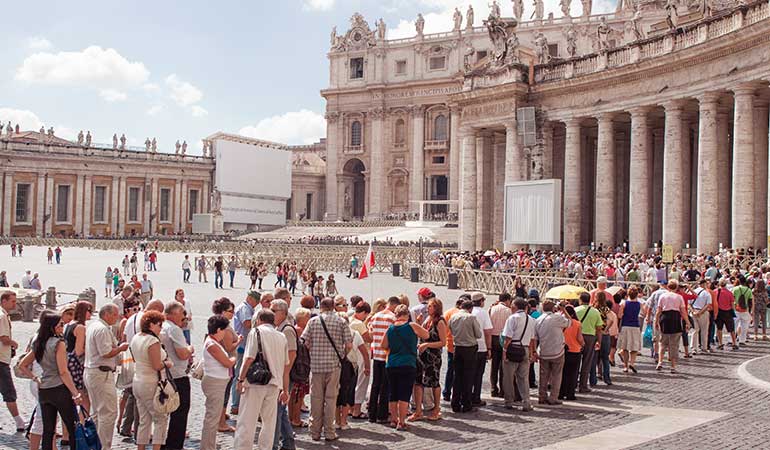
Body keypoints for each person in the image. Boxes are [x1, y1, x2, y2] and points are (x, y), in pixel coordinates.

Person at [17, 311, 82, 450]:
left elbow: (22, 364)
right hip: (59, 388)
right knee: (72, 427)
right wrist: (75, 393)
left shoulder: (39, 342)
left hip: (44, 389)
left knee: (48, 430)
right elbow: (63, 372)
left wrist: (34, 377)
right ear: (52, 327)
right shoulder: (59, 343)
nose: (62, 328)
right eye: (60, 325)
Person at [233, 309, 290, 450]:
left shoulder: (256, 332)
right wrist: (284, 388)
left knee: (247, 420)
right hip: (275, 384)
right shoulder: (281, 336)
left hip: (255, 383)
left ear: (259, 319)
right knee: (269, 423)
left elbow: (249, 358)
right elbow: (285, 364)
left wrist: (240, 379)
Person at [302, 297, 353, 442]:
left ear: (321, 307)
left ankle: (315, 432)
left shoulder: (313, 321)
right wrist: (342, 355)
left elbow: (305, 341)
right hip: (333, 366)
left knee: (316, 399)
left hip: (317, 365)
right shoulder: (341, 321)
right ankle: (329, 432)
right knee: (331, 399)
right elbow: (349, 344)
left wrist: (313, 351)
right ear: (333, 307)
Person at [84, 303, 128, 450]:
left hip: (92, 371)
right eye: (115, 315)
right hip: (101, 373)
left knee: (97, 411)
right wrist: (121, 348)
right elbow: (105, 352)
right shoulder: (102, 329)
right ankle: (104, 446)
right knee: (108, 412)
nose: (117, 318)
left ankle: (95, 444)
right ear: (107, 314)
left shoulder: (93, 326)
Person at [380, 305, 429, 430]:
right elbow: (426, 335)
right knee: (404, 393)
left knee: (393, 393)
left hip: (391, 364)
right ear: (407, 314)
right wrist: (418, 323)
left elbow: (383, 345)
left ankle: (393, 419)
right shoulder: (411, 326)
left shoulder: (390, 328)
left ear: (396, 315)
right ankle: (401, 422)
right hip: (408, 363)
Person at [130, 310, 171, 450]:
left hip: (137, 380)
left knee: (144, 419)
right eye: (159, 325)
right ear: (151, 324)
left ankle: (140, 447)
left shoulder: (136, 337)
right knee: (160, 419)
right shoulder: (152, 341)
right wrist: (167, 363)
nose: (161, 328)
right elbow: (157, 365)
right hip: (150, 382)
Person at [161, 302, 194, 450]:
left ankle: (163, 443)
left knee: (165, 413)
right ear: (173, 313)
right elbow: (182, 354)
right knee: (179, 414)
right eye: (182, 313)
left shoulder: (163, 326)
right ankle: (174, 446)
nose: (184, 316)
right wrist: (190, 348)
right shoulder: (174, 329)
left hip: (166, 376)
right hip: (178, 377)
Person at [201, 315, 236, 450]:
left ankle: (209, 444)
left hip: (216, 382)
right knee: (212, 418)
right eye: (225, 330)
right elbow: (227, 363)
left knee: (213, 417)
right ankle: (207, 447)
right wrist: (233, 359)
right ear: (219, 330)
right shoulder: (212, 344)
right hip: (215, 383)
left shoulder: (213, 341)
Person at [409, 298, 446, 422]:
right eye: (428, 306)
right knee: (418, 382)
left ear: (436, 308)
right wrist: (419, 324)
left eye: (430, 306)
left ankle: (436, 409)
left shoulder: (440, 322)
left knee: (434, 383)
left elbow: (443, 342)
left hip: (433, 357)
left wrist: (427, 345)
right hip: (422, 356)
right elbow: (423, 334)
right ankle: (418, 410)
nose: (428, 308)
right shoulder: (427, 319)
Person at [270, 300, 297, 450]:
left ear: (283, 312)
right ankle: (288, 443)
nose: (271, 313)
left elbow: (291, 356)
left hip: (284, 377)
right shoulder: (278, 327)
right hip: (280, 376)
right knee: (281, 412)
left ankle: (274, 445)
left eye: (274, 311)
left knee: (277, 412)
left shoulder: (286, 329)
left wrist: (283, 379)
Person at [367, 296, 398, 423]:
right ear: (394, 305)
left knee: (375, 384)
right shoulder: (393, 318)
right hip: (387, 355)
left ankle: (372, 414)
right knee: (385, 386)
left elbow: (371, 333)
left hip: (376, 355)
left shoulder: (375, 316)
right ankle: (382, 414)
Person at [501, 297, 536, 411]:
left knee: (508, 377)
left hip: (512, 349)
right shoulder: (531, 320)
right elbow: (532, 339)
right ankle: (526, 402)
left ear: (515, 307)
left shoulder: (512, 318)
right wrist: (531, 353)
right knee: (523, 378)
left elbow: (508, 338)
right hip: (525, 349)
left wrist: (505, 351)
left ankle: (509, 401)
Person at [448, 298, 481, 413]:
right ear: (470, 308)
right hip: (470, 348)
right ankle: (466, 403)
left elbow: (451, 331)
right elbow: (478, 334)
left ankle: (455, 403)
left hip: (458, 347)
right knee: (468, 377)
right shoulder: (471, 317)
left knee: (457, 376)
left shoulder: (453, 317)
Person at [534, 300, 570, 404]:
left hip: (544, 351)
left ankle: (542, 396)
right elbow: (569, 322)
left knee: (543, 376)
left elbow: (535, 338)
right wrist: (564, 310)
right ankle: (553, 397)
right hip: (557, 351)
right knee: (556, 376)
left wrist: (535, 351)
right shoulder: (557, 318)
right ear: (553, 308)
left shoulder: (538, 320)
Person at [230, 291, 260, 415]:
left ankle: (239, 402)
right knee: (239, 374)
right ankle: (235, 404)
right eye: (256, 301)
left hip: (245, 344)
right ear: (249, 298)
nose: (256, 304)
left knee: (242, 373)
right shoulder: (244, 308)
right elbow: (247, 324)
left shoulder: (249, 309)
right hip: (242, 345)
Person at [0, 291, 26, 432]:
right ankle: (19, 422)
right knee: (9, 391)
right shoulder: (2, 316)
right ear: (4, 301)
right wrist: (13, 343)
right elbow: (3, 337)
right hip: (1, 360)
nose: (15, 304)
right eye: (13, 301)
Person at [654, 280, 690, 373]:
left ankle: (660, 362)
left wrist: (656, 321)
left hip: (664, 318)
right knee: (674, 344)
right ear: (676, 288)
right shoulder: (679, 297)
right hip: (675, 318)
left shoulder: (662, 296)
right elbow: (683, 311)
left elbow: (659, 310)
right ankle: (673, 366)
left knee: (663, 342)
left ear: (668, 287)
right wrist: (687, 322)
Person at [63, 302, 92, 416]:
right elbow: (79, 350)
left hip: (67, 360)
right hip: (76, 363)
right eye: (89, 311)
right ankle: (83, 423)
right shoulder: (80, 327)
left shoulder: (69, 324)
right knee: (83, 397)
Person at [574, 292, 603, 393]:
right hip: (590, 337)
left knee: (575, 361)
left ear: (580, 300)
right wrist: (599, 341)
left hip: (577, 336)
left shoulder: (575, 310)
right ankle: (583, 386)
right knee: (587, 362)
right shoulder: (595, 312)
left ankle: (573, 384)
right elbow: (599, 328)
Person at [469, 292, 493, 406]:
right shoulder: (483, 313)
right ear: (481, 301)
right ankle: (476, 397)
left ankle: (467, 396)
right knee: (478, 374)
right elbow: (488, 332)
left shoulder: (469, 311)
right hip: (481, 347)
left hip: (469, 347)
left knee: (469, 373)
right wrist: (489, 348)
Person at [488, 293, 512, 398]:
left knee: (494, 365)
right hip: (503, 338)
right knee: (503, 366)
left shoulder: (491, 309)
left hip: (493, 338)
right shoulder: (509, 311)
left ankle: (493, 388)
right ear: (507, 300)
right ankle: (503, 389)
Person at [559, 305, 584, 401]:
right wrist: (583, 344)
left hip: (563, 349)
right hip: (575, 350)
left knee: (563, 373)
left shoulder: (561, 324)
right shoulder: (577, 323)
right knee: (573, 373)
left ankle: (561, 393)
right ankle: (570, 394)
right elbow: (579, 338)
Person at [442, 297, 464, 402]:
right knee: (459, 371)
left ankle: (446, 392)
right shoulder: (462, 314)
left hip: (449, 343)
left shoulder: (447, 313)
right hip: (459, 344)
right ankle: (457, 393)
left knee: (450, 369)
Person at [617, 286, 642, 373]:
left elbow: (619, 316)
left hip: (625, 326)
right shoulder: (639, 304)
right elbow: (644, 313)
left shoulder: (624, 304)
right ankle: (632, 363)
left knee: (625, 347)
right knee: (634, 347)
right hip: (635, 326)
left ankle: (625, 366)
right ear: (637, 295)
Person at [714, 278, 738, 349]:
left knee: (719, 328)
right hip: (728, 312)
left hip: (719, 312)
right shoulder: (729, 293)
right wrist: (733, 311)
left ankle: (720, 343)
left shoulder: (715, 292)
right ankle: (734, 343)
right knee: (731, 329)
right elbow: (732, 304)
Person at [690, 279, 712, 354]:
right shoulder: (706, 293)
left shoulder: (693, 291)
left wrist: (693, 311)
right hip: (703, 312)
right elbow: (708, 304)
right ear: (704, 284)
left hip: (693, 312)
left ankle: (693, 348)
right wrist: (700, 312)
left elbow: (688, 303)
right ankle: (704, 347)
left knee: (695, 330)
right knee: (704, 331)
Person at [732, 275, 753, 346]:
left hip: (736, 309)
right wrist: (750, 312)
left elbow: (732, 299)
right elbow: (750, 302)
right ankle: (742, 340)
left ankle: (732, 340)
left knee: (734, 325)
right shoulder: (749, 290)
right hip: (745, 310)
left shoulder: (735, 289)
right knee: (744, 326)